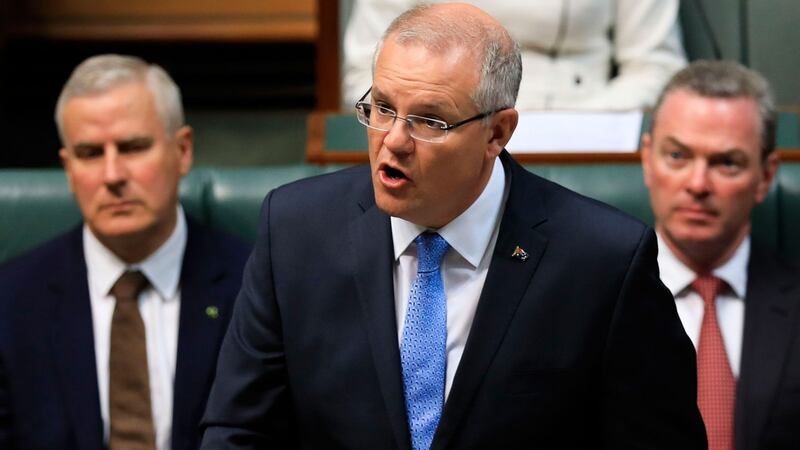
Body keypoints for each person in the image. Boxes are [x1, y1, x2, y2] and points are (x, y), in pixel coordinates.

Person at [201, 4, 705, 448]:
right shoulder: (294, 231)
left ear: (497, 133)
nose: (393, 141)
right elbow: (240, 432)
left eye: (429, 122)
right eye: (382, 109)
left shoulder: (603, 261)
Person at [0, 54, 250, 450]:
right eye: (90, 154)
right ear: (68, 169)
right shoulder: (10, 302)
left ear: (183, 151)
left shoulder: (256, 287)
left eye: (133, 148)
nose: (113, 175)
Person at [641, 59, 800, 450]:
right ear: (647, 159)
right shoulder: (587, 301)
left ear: (765, 177)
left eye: (726, 163)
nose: (697, 184)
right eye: (677, 156)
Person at [343, 0, 687, 110]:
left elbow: (657, 68)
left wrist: (573, 128)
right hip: (443, 130)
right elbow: (364, 75)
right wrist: (436, 125)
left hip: (582, 126)